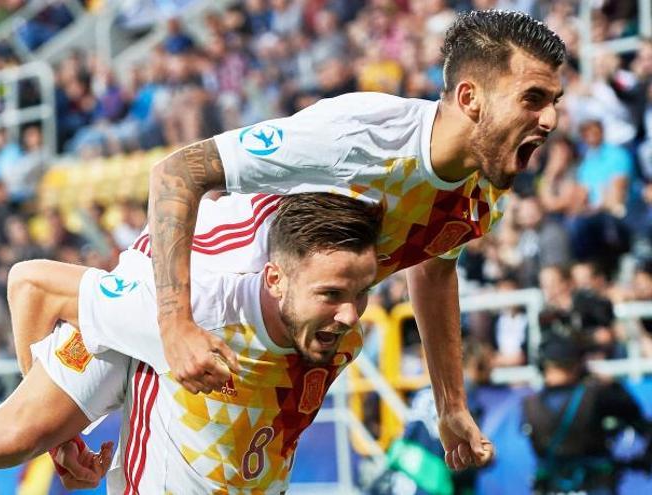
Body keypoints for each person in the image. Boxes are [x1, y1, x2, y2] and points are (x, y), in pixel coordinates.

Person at [100, 8, 562, 472]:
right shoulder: (362, 132)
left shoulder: (485, 195)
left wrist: (451, 404)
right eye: (533, 99)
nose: (551, 119)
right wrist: (175, 323)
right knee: (33, 423)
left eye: (554, 100)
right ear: (470, 97)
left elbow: (435, 270)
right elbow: (179, 172)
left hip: (278, 345)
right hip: (200, 281)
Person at [0, 192, 382, 494]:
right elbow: (32, 283)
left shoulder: (340, 328)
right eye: (334, 294)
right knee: (16, 431)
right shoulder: (191, 306)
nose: (349, 313)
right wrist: (47, 412)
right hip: (156, 284)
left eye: (360, 294)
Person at [522, 311, 651, 494]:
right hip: (594, 485)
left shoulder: (530, 404)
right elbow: (636, 416)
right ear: (577, 362)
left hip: (552, 487)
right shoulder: (597, 394)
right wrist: (612, 384)